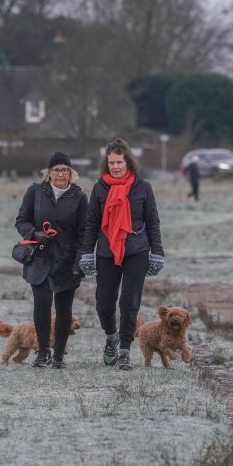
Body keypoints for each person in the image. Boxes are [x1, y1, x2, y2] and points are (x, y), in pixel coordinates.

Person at [78, 138, 164, 371]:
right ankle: (111, 337)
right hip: (107, 251)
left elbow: (153, 221)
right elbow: (91, 223)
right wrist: (87, 253)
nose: (115, 167)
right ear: (106, 164)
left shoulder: (143, 187)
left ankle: (125, 349)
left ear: (128, 163)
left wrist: (157, 252)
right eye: (111, 163)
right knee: (103, 304)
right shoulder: (99, 188)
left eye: (119, 162)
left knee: (129, 302)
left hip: (136, 250)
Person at [14, 152, 88, 369]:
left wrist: (80, 261)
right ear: (48, 173)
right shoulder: (35, 192)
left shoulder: (79, 197)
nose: (60, 174)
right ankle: (43, 351)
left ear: (71, 173)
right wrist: (35, 234)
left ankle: (58, 355)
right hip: (40, 258)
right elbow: (21, 221)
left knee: (64, 309)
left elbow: (85, 233)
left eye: (65, 170)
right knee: (42, 304)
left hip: (67, 260)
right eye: (56, 170)